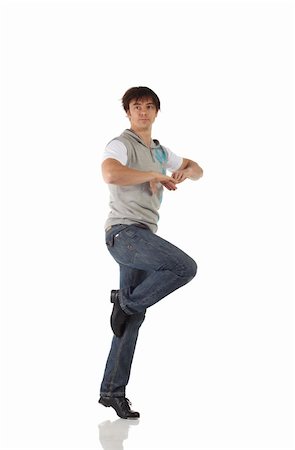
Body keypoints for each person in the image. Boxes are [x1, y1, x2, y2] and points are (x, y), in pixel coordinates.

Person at [98, 86, 203, 419]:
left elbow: (197, 167)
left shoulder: (160, 151)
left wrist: (185, 171)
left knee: (132, 320)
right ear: (127, 113)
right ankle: (124, 301)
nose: (142, 112)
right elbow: (111, 173)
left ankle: (112, 392)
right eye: (136, 106)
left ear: (157, 112)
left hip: (142, 235)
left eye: (149, 106)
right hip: (123, 234)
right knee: (183, 267)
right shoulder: (121, 144)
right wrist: (153, 175)